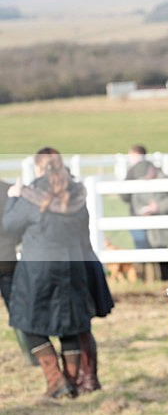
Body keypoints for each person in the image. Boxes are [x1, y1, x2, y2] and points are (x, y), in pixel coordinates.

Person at [3, 148, 108, 398]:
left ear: (39, 168)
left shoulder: (30, 194)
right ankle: (69, 383)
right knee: (70, 326)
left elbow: (7, 226)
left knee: (25, 322)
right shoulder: (77, 194)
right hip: (73, 268)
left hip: (38, 270)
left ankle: (56, 380)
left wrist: (14, 197)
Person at [120, 145, 168, 280]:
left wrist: (158, 206)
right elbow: (133, 201)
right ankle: (162, 279)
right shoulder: (136, 178)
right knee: (159, 254)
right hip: (154, 229)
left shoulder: (164, 178)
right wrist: (143, 210)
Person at [0, 179, 36, 366]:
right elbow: (23, 224)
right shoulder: (9, 190)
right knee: (17, 308)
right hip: (7, 257)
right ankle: (31, 354)